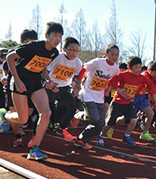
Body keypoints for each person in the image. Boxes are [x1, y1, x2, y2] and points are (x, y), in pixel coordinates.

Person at [0, 22, 63, 160]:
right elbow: (10, 57)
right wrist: (16, 79)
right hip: (20, 82)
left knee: (46, 113)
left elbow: (43, 66)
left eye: (60, 36)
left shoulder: (54, 52)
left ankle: (34, 149)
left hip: (35, 83)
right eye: (55, 35)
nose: (58, 39)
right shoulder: (34, 46)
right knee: (23, 119)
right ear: (47, 35)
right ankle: (4, 115)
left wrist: (48, 81)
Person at [97, 56, 156, 147]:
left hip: (129, 102)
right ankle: (101, 136)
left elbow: (150, 85)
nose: (138, 70)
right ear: (129, 68)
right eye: (136, 68)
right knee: (110, 123)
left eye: (139, 68)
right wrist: (118, 89)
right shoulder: (123, 75)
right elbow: (112, 80)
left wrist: (154, 95)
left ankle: (127, 136)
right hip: (118, 102)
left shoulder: (142, 78)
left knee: (133, 120)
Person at [74, 44, 120, 150]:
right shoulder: (98, 62)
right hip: (88, 93)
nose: (114, 57)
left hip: (100, 97)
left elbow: (113, 81)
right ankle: (77, 116)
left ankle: (81, 140)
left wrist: (109, 90)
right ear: (106, 54)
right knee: (94, 118)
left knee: (100, 124)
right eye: (112, 54)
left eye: (117, 55)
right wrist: (79, 81)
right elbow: (83, 69)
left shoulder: (115, 68)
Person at [46, 37, 82, 141]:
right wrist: (50, 84)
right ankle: (48, 124)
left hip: (65, 88)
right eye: (71, 50)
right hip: (51, 87)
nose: (73, 53)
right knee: (48, 109)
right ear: (64, 49)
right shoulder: (58, 57)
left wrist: (77, 84)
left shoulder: (78, 62)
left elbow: (78, 74)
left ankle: (61, 127)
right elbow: (46, 70)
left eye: (76, 51)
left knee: (71, 107)